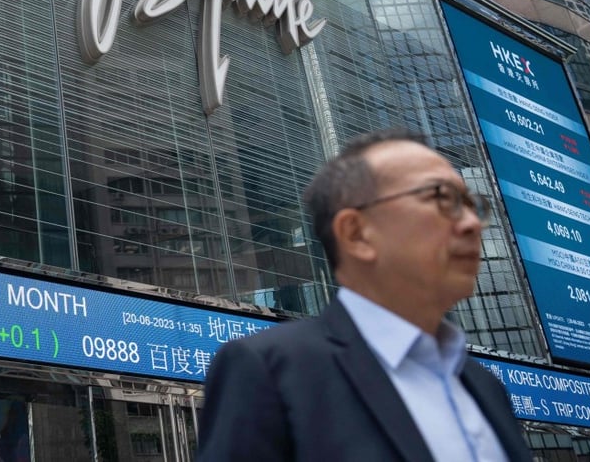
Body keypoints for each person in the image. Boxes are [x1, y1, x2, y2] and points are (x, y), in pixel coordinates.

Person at [196, 128, 533, 461]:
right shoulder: (272, 371)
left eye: (473, 205)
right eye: (441, 199)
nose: (472, 224)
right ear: (356, 233)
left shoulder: (485, 387)